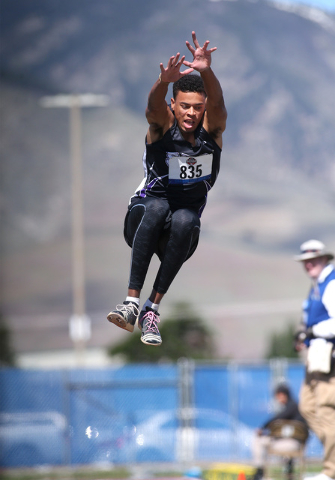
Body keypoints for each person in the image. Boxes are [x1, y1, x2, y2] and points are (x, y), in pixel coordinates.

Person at [107, 31, 227, 346]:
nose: (190, 113)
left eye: (197, 108)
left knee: (188, 217)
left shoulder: (212, 134)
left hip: (179, 234)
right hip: (144, 219)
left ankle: (151, 309)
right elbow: (151, 109)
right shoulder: (161, 128)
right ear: (172, 105)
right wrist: (162, 83)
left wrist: (206, 71)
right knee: (159, 207)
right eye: (184, 106)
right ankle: (131, 302)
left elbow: (218, 104)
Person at [293, 239, 335, 480]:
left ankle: (331, 471)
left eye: (312, 260)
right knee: (308, 407)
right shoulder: (317, 285)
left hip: (328, 356)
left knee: (326, 409)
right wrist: (303, 335)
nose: (308, 265)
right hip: (315, 356)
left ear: (324, 258)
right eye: (305, 262)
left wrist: (313, 331)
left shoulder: (331, 283)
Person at [251, 383, 308, 480]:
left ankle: (260, 472)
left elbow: (277, 419)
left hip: (291, 444)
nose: (277, 398)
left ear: (283, 394)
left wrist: (262, 428)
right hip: (292, 443)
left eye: (278, 395)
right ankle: (287, 470)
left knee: (258, 439)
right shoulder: (293, 406)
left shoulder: (292, 406)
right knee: (264, 439)